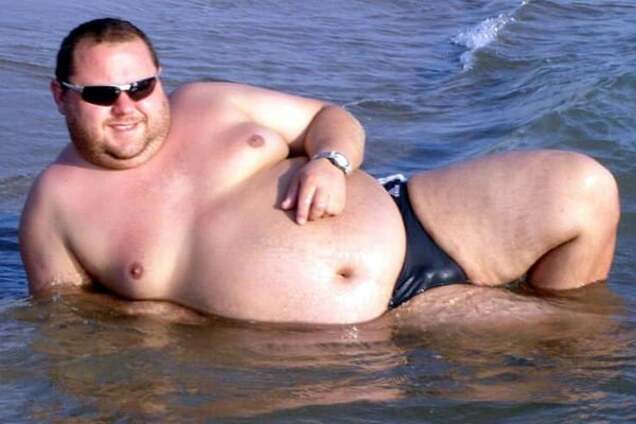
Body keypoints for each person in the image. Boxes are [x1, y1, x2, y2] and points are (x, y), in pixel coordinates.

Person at [19, 18, 620, 324]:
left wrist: (330, 162)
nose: (126, 106)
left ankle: (542, 296)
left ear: (160, 78)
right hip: (386, 325)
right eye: (101, 94)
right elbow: (73, 323)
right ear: (61, 96)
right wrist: (164, 317)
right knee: (585, 355)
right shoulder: (55, 205)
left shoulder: (210, 101)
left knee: (585, 189)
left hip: (413, 214)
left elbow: (331, 118)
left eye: (141, 86)